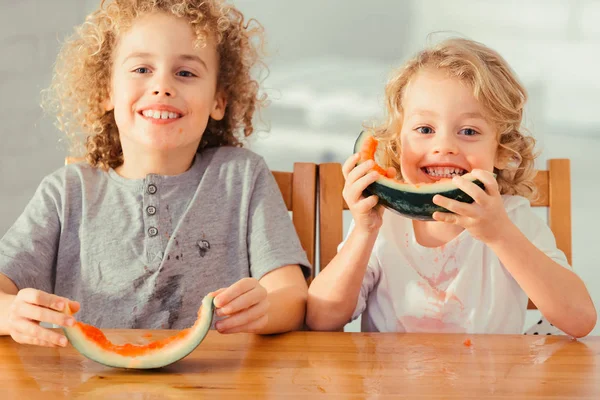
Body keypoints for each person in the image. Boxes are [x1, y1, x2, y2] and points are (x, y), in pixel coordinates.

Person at [0, 0, 311, 348]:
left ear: (218, 101)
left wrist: (265, 307)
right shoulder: (67, 192)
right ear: (107, 92)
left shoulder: (242, 177)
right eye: (142, 70)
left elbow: (293, 296)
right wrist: (12, 311)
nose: (162, 86)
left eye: (186, 73)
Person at [306, 38, 596, 337]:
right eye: (425, 129)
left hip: (489, 382)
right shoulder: (383, 225)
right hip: (388, 381)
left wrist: (501, 235)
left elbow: (580, 320)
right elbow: (321, 319)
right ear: (396, 140)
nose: (444, 146)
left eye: (469, 131)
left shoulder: (512, 219)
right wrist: (364, 231)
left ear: (501, 150)